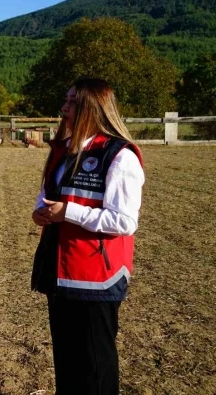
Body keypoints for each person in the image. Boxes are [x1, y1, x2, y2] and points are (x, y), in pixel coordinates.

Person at [30, 78, 145, 395]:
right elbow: (48, 196)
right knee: (66, 361)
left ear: (91, 109)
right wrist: (40, 211)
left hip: (97, 279)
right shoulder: (64, 149)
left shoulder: (120, 157)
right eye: (65, 100)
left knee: (95, 367)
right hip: (59, 271)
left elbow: (124, 221)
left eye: (71, 101)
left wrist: (67, 212)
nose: (63, 108)